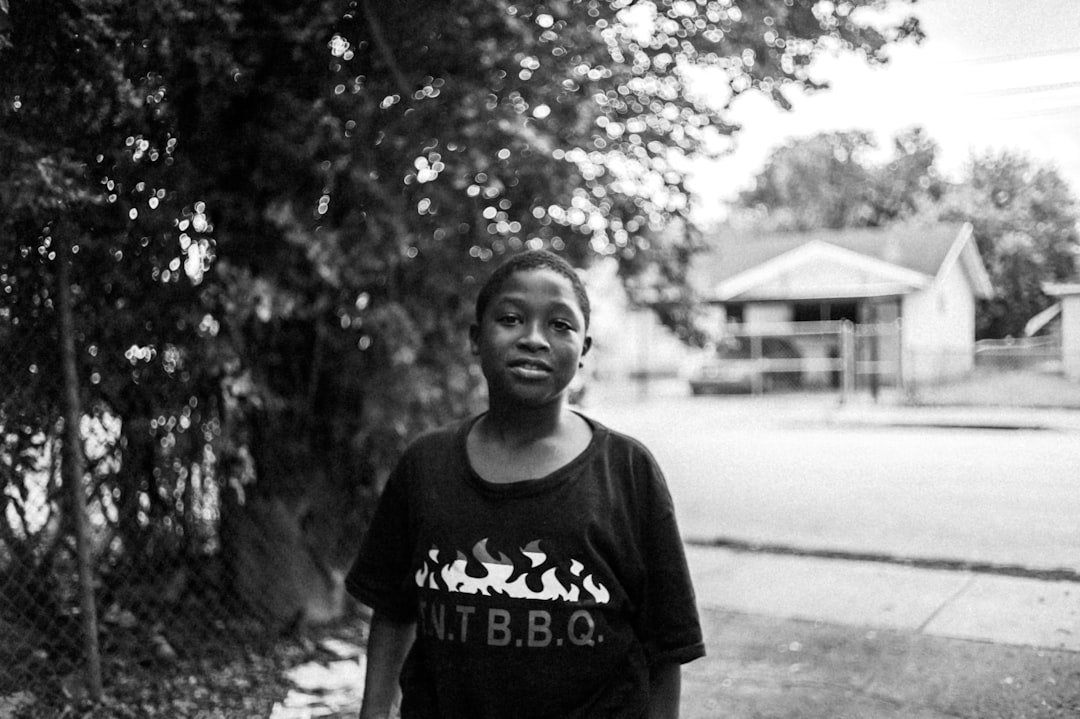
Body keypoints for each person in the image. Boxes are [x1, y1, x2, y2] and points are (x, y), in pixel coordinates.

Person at [346, 249, 705, 719]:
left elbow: (665, 647)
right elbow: (394, 611)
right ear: (476, 339)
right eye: (512, 318)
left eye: (560, 325)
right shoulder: (425, 466)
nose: (534, 339)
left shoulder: (627, 472)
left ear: (584, 351)